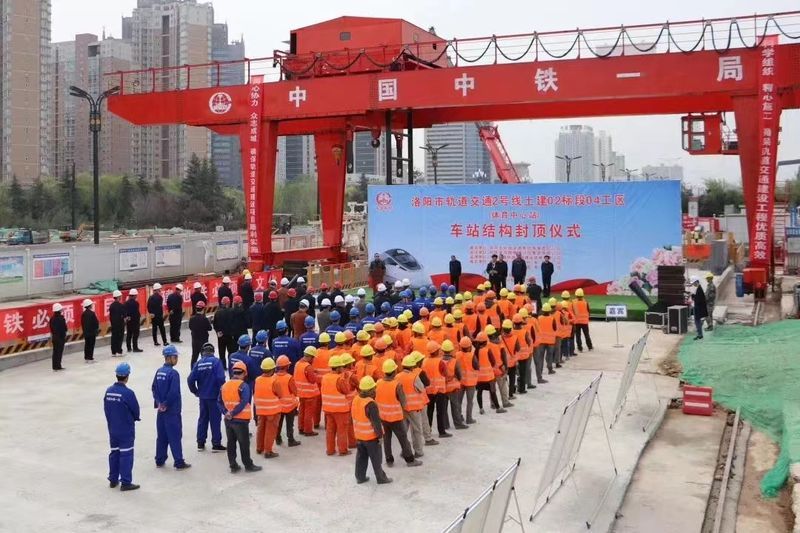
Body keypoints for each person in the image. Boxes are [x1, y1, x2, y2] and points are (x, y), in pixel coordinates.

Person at [376, 359, 422, 468]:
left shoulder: (378, 383)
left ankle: (389, 460)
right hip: (395, 418)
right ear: (394, 371)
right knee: (403, 439)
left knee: (387, 439)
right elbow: (403, 402)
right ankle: (410, 460)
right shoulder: (397, 385)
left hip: (383, 417)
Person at [151, 345, 190, 469]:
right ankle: (179, 461)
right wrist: (166, 404)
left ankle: (159, 459)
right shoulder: (173, 373)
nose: (177, 359)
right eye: (175, 357)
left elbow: (154, 388)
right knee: (175, 436)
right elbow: (173, 393)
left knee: (162, 436)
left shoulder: (159, 371)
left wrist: (159, 403)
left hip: (161, 411)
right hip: (172, 411)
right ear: (169, 358)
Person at [219, 361, 262, 473]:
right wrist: (233, 413)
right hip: (241, 420)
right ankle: (248, 465)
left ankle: (233, 465)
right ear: (244, 373)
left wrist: (226, 413)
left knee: (231, 443)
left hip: (228, 420)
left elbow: (219, 402)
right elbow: (244, 402)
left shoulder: (224, 386)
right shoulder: (243, 386)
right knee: (244, 444)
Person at [104, 362, 141, 491]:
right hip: (125, 429)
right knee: (126, 455)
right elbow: (136, 410)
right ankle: (125, 482)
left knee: (114, 453)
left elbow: (106, 409)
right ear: (127, 376)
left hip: (112, 429)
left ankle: (113, 479)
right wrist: (134, 418)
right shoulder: (128, 393)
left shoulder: (109, 391)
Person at [352, 376, 393, 484]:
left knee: (361, 458)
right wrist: (380, 436)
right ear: (370, 390)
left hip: (359, 436)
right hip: (371, 438)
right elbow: (376, 423)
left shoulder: (356, 399)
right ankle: (381, 478)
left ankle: (360, 477)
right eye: (374, 388)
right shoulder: (370, 404)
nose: (375, 390)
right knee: (376, 459)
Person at [187, 343, 226, 452]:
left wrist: (196, 391)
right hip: (214, 396)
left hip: (203, 397)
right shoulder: (216, 362)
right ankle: (216, 444)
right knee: (215, 420)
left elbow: (190, 379)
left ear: (202, 352)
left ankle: (200, 443)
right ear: (213, 351)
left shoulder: (198, 363)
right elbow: (220, 378)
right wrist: (222, 392)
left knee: (203, 418)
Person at [321, 356, 351, 456]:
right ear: (338, 368)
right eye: (341, 367)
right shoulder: (340, 379)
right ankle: (343, 450)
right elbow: (347, 390)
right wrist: (346, 379)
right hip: (340, 409)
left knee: (330, 430)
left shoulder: (325, 377)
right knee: (342, 430)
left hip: (328, 409)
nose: (342, 368)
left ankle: (330, 450)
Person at [423, 341, 451, 438]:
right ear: (436, 351)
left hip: (429, 390)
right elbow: (446, 374)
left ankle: (428, 430)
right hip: (439, 391)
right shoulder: (440, 362)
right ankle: (441, 432)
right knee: (440, 412)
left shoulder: (424, 361)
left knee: (429, 411)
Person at [254, 358, 281, 458]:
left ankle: (259, 448)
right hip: (272, 411)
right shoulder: (275, 381)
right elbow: (280, 394)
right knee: (270, 431)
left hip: (260, 410)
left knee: (260, 428)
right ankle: (268, 451)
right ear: (273, 369)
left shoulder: (257, 380)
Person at [295, 346, 322, 437]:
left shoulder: (298, 364)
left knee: (301, 410)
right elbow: (312, 380)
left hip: (301, 393)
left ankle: (301, 428)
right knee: (308, 413)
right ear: (310, 357)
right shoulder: (308, 367)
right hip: (309, 394)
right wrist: (315, 375)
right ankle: (308, 430)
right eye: (313, 358)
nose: (313, 360)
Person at [441, 340, 468, 430]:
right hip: (453, 388)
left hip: (443, 388)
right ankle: (458, 424)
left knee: (444, 408)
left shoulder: (439, 361)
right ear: (451, 350)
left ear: (442, 350)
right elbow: (459, 375)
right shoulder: (454, 361)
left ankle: (445, 425)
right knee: (455, 406)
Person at [456, 336, 478, 424]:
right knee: (470, 401)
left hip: (460, 382)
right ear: (469, 347)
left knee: (459, 401)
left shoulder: (457, 355)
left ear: (461, 346)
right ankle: (469, 418)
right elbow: (477, 366)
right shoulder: (472, 356)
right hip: (470, 382)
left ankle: (459, 417)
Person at [536, 304, 557, 379]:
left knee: (540, 357)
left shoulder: (539, 318)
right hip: (550, 341)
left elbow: (537, 328)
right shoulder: (552, 318)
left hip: (541, 341)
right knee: (549, 356)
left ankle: (540, 371)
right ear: (549, 311)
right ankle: (550, 369)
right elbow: (555, 328)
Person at [571, 288, 593, 352]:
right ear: (583, 295)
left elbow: (572, 311)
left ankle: (580, 348)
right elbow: (588, 311)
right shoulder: (585, 302)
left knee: (578, 335)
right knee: (586, 335)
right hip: (584, 322)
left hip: (577, 322)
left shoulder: (573, 302)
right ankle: (590, 346)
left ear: (576, 295)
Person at [213, 297, 232, 367]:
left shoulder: (217, 312)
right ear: (228, 303)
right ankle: (230, 365)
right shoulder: (231, 312)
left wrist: (218, 331)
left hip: (221, 336)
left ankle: (223, 366)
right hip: (230, 336)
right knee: (231, 352)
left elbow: (214, 324)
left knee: (221, 352)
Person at [50, 303, 67, 371]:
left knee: (55, 352)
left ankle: (55, 366)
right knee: (59, 352)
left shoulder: (52, 318)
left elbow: (51, 328)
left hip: (54, 337)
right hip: (60, 338)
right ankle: (58, 366)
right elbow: (64, 328)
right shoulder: (61, 318)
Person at [125, 289, 143, 353]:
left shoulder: (126, 303)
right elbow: (136, 312)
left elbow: (125, 312)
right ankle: (135, 348)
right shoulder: (136, 303)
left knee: (129, 334)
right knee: (135, 335)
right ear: (134, 295)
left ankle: (129, 348)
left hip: (129, 321)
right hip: (135, 321)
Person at [81, 299, 99, 363]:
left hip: (86, 332)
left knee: (87, 344)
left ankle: (86, 357)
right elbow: (96, 323)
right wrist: (96, 329)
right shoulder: (92, 313)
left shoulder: (83, 314)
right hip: (92, 332)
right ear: (89, 305)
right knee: (91, 345)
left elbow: (82, 323)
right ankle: (90, 358)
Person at [109, 290, 126, 357]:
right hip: (120, 324)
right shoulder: (121, 306)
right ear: (118, 297)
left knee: (114, 338)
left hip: (113, 324)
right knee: (119, 338)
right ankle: (119, 351)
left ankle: (113, 352)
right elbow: (124, 315)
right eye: (120, 296)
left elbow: (111, 316)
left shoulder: (111, 306)